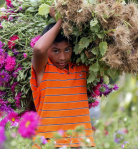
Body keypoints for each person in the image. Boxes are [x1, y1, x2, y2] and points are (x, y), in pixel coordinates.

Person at [30, 8, 95, 148]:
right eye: (55, 51)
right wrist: (61, 20)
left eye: (67, 49)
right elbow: (38, 49)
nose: (62, 57)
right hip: (49, 144)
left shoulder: (81, 68)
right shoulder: (43, 70)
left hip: (79, 143)